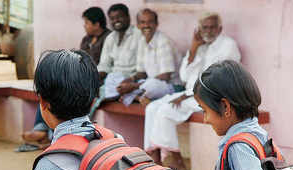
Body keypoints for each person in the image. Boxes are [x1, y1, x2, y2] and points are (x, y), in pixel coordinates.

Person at [143, 12, 240, 170]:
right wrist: (194, 49)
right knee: (152, 107)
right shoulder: (199, 45)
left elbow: (216, 78)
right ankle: (155, 156)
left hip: (213, 96)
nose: (208, 31)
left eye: (212, 27)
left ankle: (176, 159)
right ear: (199, 29)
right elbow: (184, 76)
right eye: (204, 27)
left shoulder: (228, 45)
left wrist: (189, 95)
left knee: (165, 111)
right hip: (191, 94)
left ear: (220, 28)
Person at [21, 7, 111, 150]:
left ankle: (48, 134)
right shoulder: (86, 40)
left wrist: (87, 76)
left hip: (95, 80)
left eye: (87, 23)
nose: (84, 26)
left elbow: (104, 66)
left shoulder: (108, 38)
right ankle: (43, 131)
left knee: (66, 97)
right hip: (80, 77)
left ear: (97, 24)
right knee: (51, 89)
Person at [116, 8, 182, 106]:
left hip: (171, 86)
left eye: (150, 22)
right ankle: (137, 96)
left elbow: (166, 76)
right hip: (148, 82)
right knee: (115, 80)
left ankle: (135, 97)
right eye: (142, 22)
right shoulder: (142, 41)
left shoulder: (163, 41)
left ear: (156, 24)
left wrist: (134, 86)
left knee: (150, 86)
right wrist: (130, 80)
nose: (146, 25)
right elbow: (141, 72)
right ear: (138, 25)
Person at [89, 3, 142, 118]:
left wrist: (131, 81)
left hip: (131, 80)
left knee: (95, 96)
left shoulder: (139, 35)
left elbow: (143, 67)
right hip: (113, 80)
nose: (116, 21)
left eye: (119, 17)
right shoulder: (110, 38)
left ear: (128, 17)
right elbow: (104, 65)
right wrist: (92, 78)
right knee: (84, 93)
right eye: (112, 19)